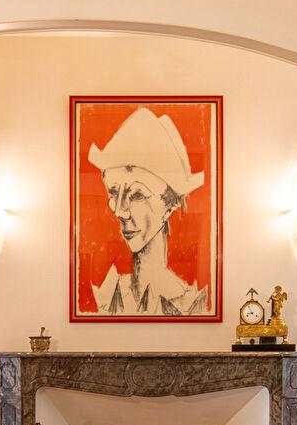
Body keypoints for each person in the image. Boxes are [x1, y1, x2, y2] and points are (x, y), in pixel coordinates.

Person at [86, 106, 209, 316]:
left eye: (137, 195)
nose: (120, 211)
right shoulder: (107, 294)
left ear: (170, 206)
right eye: (113, 192)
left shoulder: (189, 304)